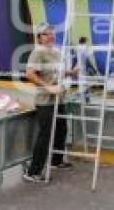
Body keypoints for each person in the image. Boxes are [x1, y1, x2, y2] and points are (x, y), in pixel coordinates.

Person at [23, 23, 79, 182]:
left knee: (62, 130)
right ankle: (33, 172)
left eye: (52, 33)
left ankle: (56, 161)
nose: (50, 36)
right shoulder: (37, 53)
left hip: (59, 99)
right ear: (39, 37)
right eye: (46, 34)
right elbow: (30, 74)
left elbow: (57, 72)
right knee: (45, 135)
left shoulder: (56, 52)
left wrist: (71, 73)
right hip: (45, 101)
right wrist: (49, 88)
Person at [71, 36, 99, 102]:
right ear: (85, 41)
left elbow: (77, 58)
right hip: (82, 66)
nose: (87, 42)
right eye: (87, 41)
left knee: (82, 82)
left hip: (79, 66)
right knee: (84, 82)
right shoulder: (83, 47)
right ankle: (83, 97)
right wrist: (92, 51)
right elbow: (86, 57)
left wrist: (73, 66)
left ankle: (84, 96)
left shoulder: (78, 47)